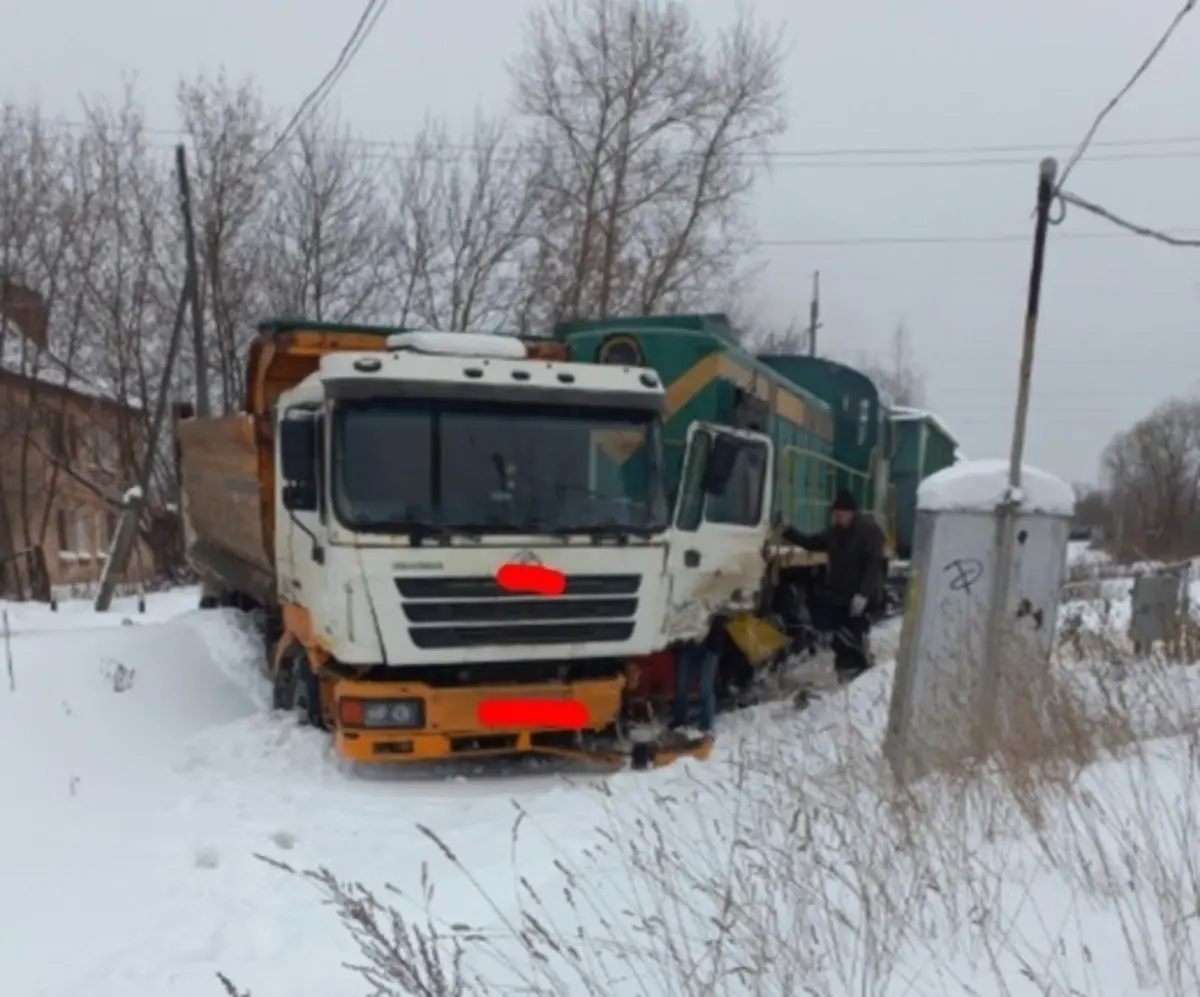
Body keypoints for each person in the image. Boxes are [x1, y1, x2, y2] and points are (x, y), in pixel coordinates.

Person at [781, 489, 886, 683]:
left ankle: (858, 676)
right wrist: (788, 531)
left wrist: (863, 595)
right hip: (842, 595)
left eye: (839, 515)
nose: (836, 519)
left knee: (853, 635)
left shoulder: (869, 532)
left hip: (862, 597)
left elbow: (873, 567)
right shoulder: (835, 533)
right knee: (841, 637)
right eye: (834, 515)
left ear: (850, 513)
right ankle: (848, 675)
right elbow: (813, 543)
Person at [668, 614, 726, 738]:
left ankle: (706, 724)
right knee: (683, 684)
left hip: (710, 644)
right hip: (691, 643)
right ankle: (680, 720)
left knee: (705, 686)